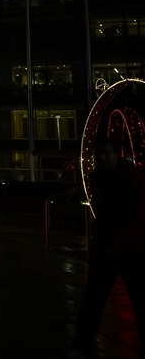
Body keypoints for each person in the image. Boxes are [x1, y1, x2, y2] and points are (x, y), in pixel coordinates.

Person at [64, 138, 144, 359]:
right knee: (93, 301)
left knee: (129, 300)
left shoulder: (130, 178)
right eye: (98, 154)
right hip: (112, 248)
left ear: (116, 154)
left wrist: (112, 244)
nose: (101, 157)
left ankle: (81, 347)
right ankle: (81, 347)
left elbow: (137, 217)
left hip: (128, 250)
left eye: (105, 153)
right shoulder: (103, 178)